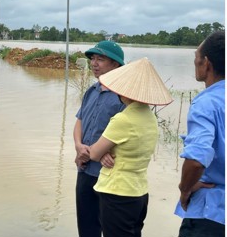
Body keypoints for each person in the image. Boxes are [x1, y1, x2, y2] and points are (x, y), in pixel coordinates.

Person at [89, 57, 173, 237]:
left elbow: (95, 153)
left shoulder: (123, 119)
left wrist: (102, 151)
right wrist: (106, 151)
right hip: (139, 192)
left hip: (117, 193)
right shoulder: (149, 117)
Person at [174, 31, 225, 237]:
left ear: (206, 63)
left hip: (211, 214)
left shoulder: (207, 103)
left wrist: (185, 189)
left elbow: (196, 160)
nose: (194, 61)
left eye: (196, 56)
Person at [74, 40, 125, 237]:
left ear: (116, 65)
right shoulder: (91, 91)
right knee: (86, 227)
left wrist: (104, 151)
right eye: (93, 59)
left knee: (111, 228)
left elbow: (127, 133)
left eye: (100, 59)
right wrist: (78, 146)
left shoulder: (124, 98)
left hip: (108, 174)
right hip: (85, 169)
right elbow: (79, 121)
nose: (94, 63)